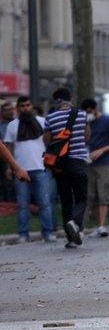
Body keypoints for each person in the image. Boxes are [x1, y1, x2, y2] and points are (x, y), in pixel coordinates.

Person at [3, 96, 54, 242]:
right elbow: (9, 148)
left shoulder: (42, 121)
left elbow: (49, 141)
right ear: (18, 108)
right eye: (22, 106)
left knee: (45, 202)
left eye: (28, 105)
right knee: (22, 204)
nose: (25, 108)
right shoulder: (12, 125)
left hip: (40, 167)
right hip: (21, 169)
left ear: (31, 106)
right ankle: (23, 234)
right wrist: (9, 167)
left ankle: (48, 233)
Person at [45, 88, 90, 248]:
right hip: (78, 161)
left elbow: (48, 141)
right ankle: (76, 223)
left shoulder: (50, 118)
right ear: (70, 98)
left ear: (55, 100)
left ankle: (70, 238)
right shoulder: (82, 114)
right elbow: (87, 136)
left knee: (65, 200)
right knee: (81, 197)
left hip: (60, 165)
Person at [81, 97, 109, 237]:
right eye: (85, 112)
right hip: (88, 162)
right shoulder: (84, 122)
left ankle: (102, 226)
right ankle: (89, 225)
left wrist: (102, 150)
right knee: (91, 195)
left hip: (104, 163)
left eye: (90, 111)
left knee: (104, 194)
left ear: (95, 108)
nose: (88, 114)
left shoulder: (108, 120)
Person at [0, 101, 16, 202]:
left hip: (14, 156)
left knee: (12, 181)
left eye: (11, 109)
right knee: (3, 181)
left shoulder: (17, 124)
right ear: (2, 112)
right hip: (1, 156)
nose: (10, 112)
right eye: (7, 110)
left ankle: (11, 202)